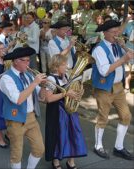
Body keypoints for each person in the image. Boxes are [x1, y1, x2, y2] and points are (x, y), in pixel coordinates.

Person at [92, 20, 134, 160]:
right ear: (105, 33)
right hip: (104, 88)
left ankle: (119, 147)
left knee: (126, 116)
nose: (117, 35)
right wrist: (123, 59)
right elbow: (104, 71)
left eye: (118, 32)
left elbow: (130, 58)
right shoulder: (99, 49)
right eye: (114, 32)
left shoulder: (117, 45)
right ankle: (98, 146)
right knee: (103, 117)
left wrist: (125, 47)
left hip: (118, 87)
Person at [0, 47, 46, 169]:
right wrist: (35, 83)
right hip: (15, 119)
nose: (27, 63)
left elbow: (41, 97)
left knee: (39, 149)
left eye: (28, 60)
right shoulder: (6, 78)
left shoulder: (28, 75)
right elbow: (18, 99)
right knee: (17, 154)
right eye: (24, 61)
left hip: (31, 117)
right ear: (15, 61)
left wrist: (44, 86)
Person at [43, 54, 87, 169]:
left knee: (72, 134)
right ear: (56, 66)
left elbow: (72, 93)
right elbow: (48, 98)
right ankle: (56, 161)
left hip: (69, 111)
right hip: (56, 112)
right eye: (63, 64)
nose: (66, 66)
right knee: (58, 135)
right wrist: (65, 93)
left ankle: (70, 161)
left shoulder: (66, 76)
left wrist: (79, 93)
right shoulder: (50, 79)